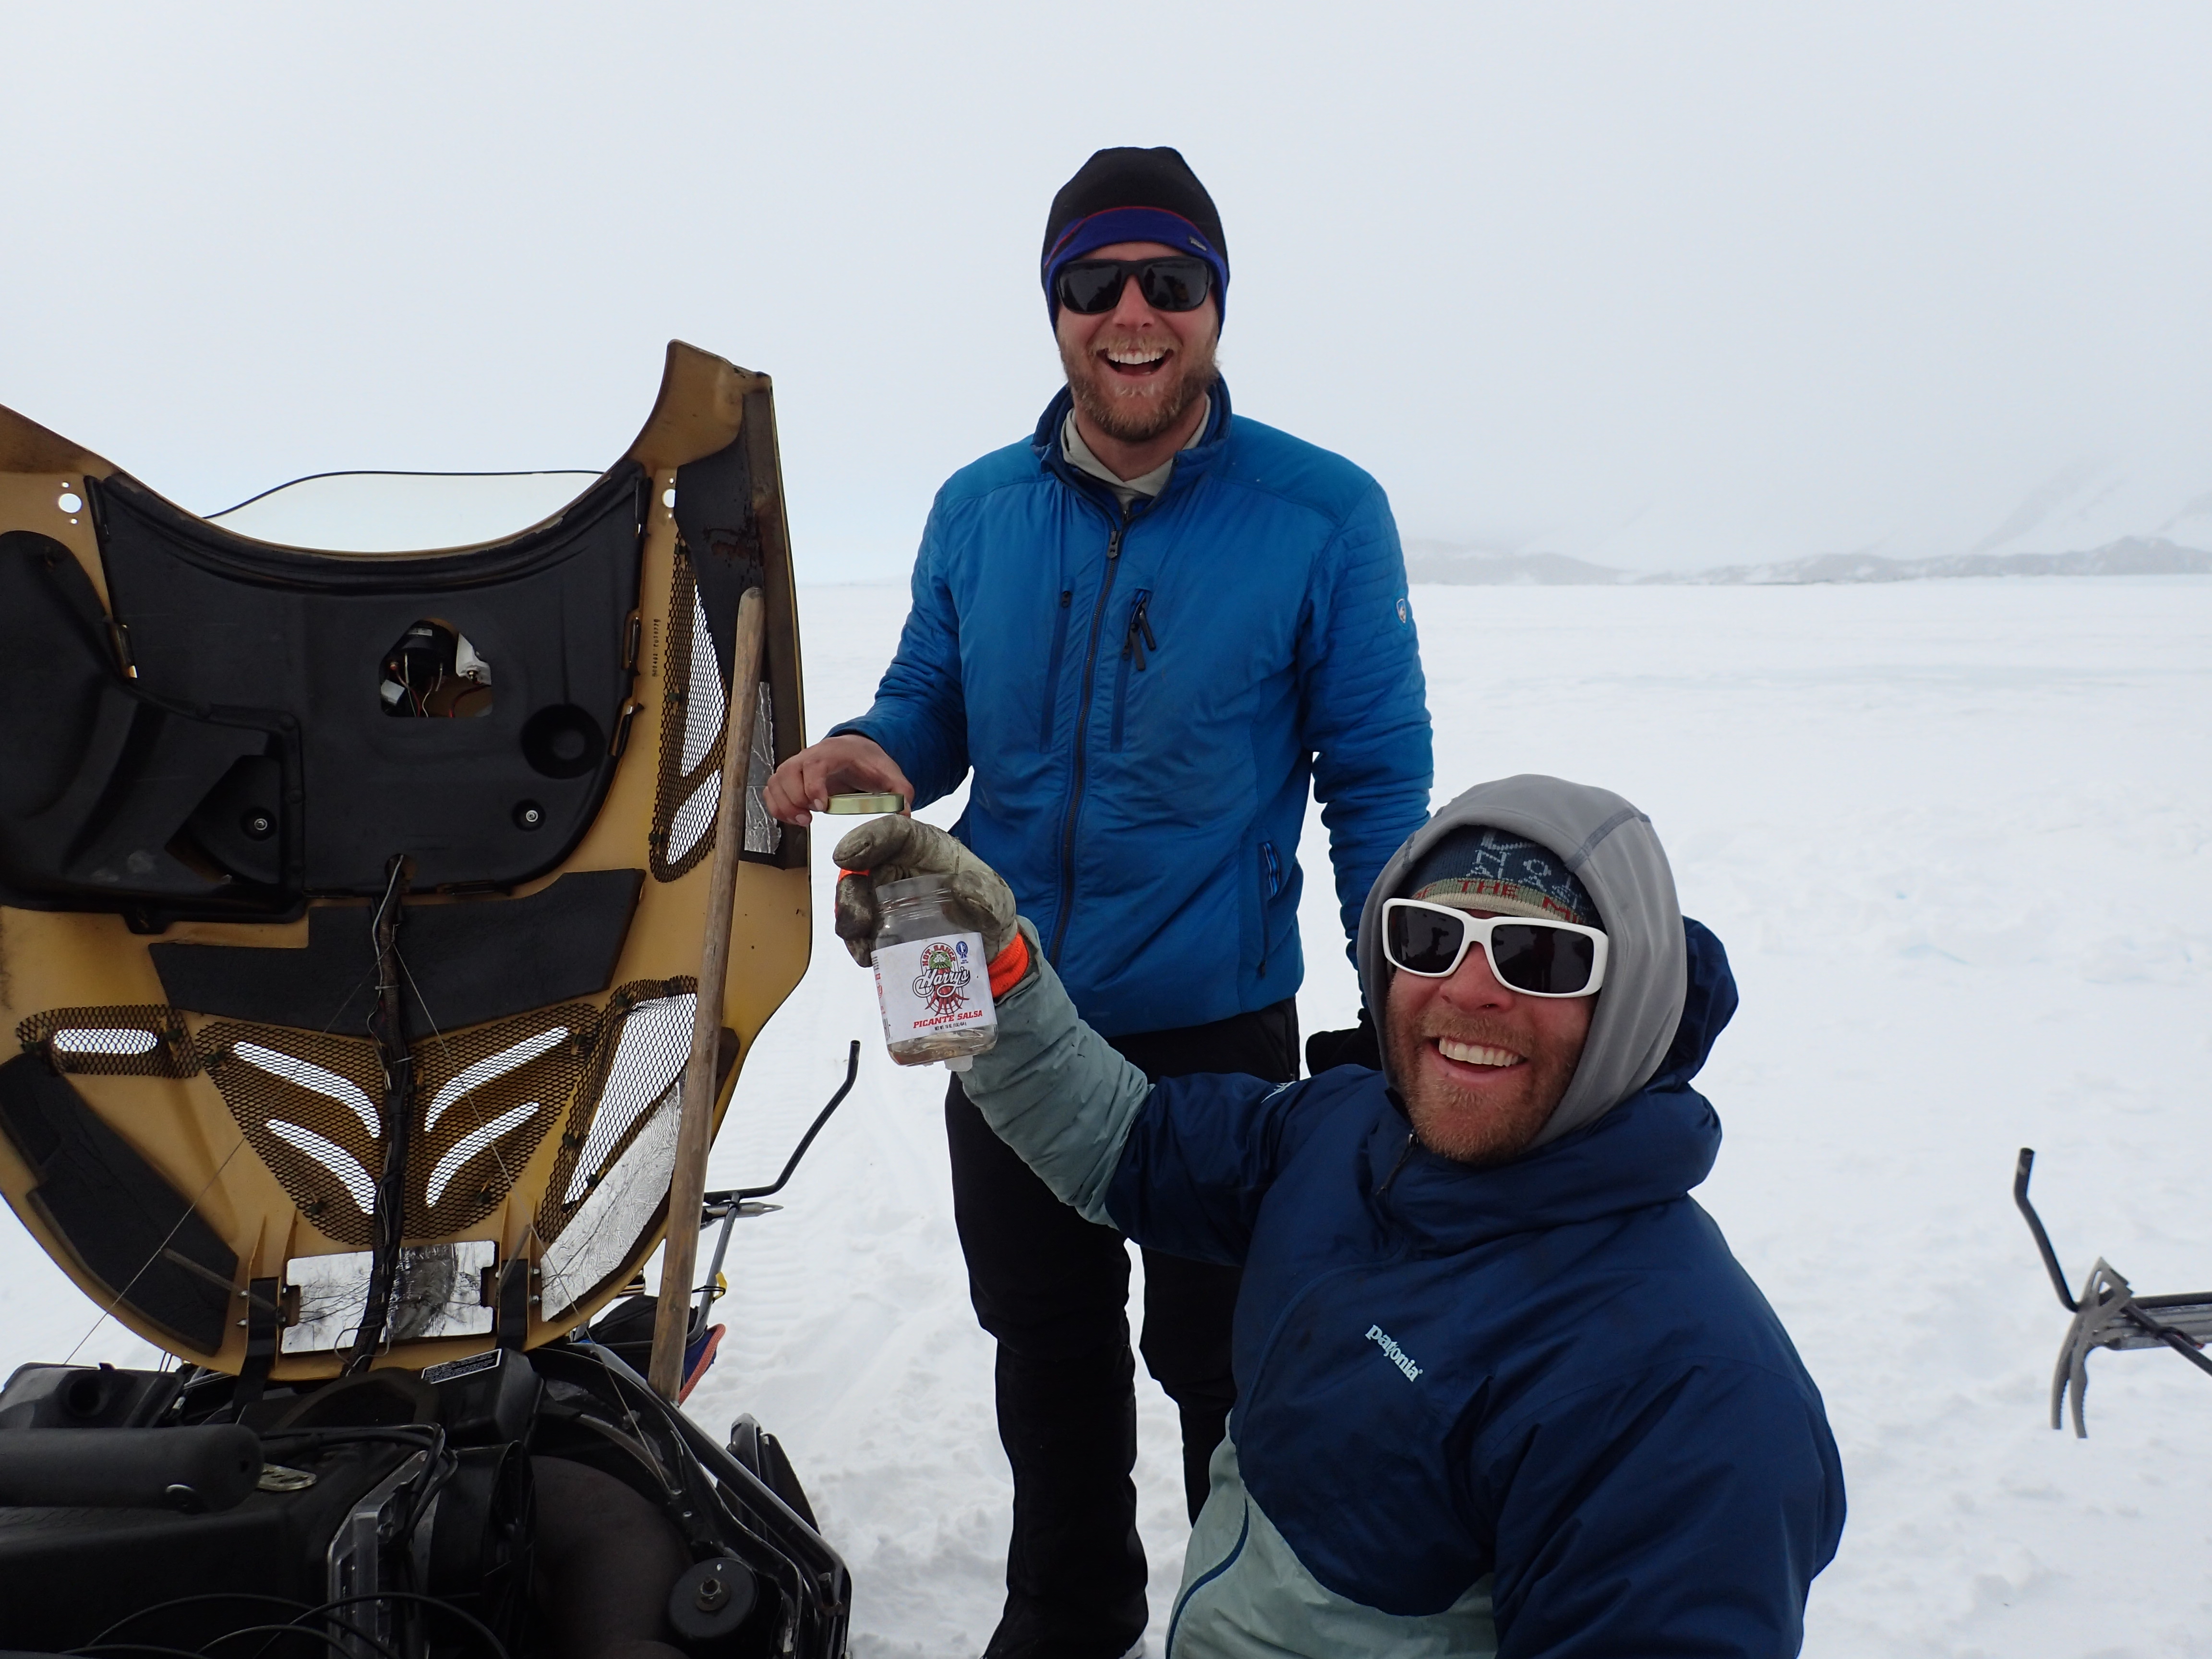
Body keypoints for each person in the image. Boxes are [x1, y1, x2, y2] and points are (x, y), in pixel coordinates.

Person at [764, 145, 1431, 1654]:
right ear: (1056, 307)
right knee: (1045, 1343)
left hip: (1214, 1030)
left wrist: (1404, 998)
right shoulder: (979, 509)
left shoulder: (1323, 515)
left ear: (1216, 305)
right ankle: (1069, 1613)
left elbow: (1378, 781)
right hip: (1006, 1006)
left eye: (1169, 282)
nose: (1133, 314)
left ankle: (1242, 1619)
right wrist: (875, 750)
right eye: (1096, 284)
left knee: (1227, 1363)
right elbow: (931, 701)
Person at [831, 775, 1845, 1658]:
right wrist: (998, 975)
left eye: (1540, 956)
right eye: (1431, 939)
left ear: (1632, 1002)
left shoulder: (1685, 1396)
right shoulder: (1346, 1134)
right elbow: (1126, 1141)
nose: (1470, 991)